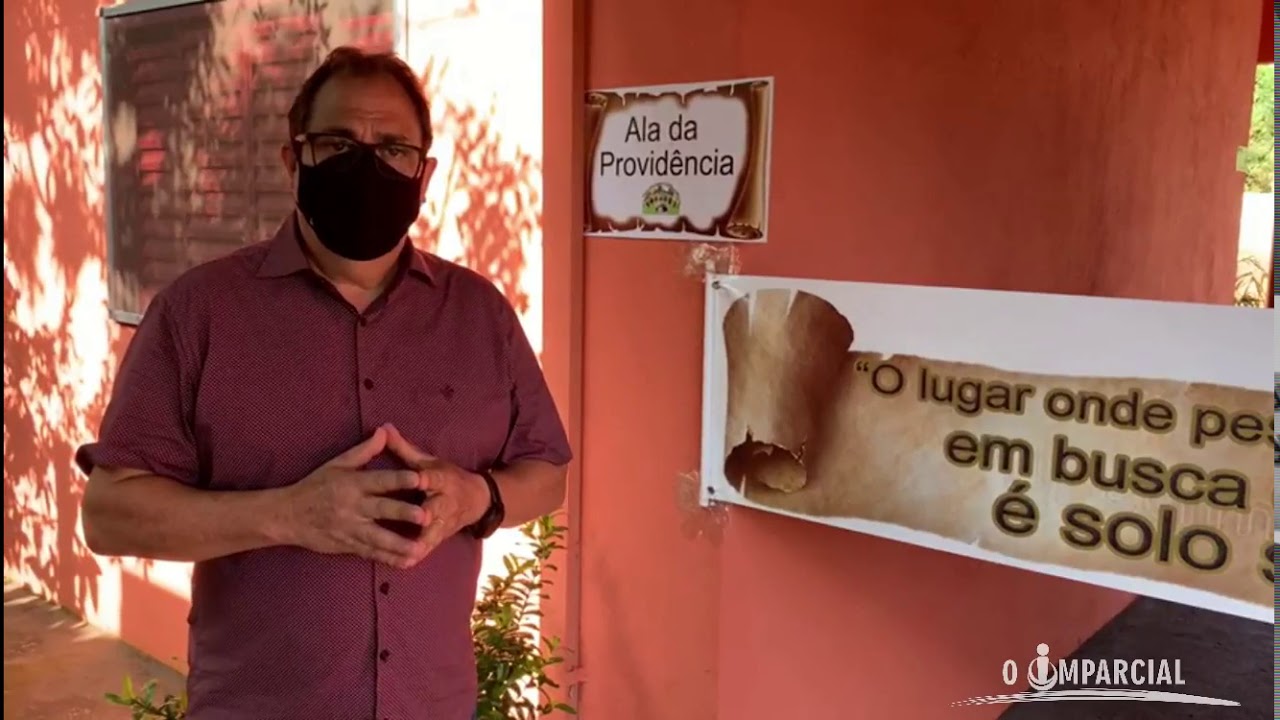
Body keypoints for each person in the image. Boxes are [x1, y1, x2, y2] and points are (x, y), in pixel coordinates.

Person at [77, 46, 572, 720]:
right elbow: (109, 514)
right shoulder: (199, 313)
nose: (366, 166)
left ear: (424, 173)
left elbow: (546, 472)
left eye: (392, 148)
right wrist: (288, 514)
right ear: (294, 160)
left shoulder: (480, 313)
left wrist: (477, 498)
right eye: (338, 144)